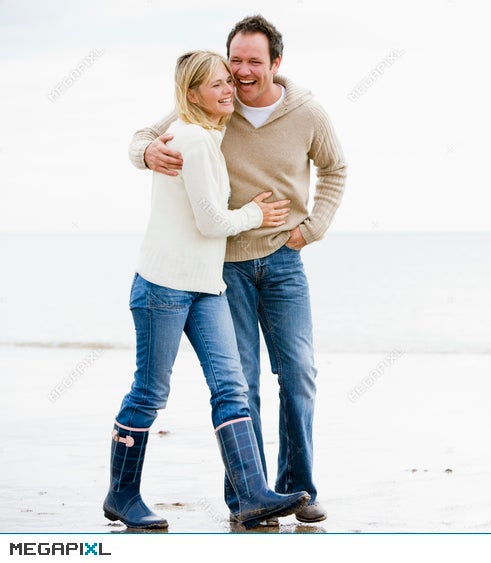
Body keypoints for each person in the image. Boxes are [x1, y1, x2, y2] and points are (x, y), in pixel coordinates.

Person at [128, 15, 347, 525]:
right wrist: (146, 151)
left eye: (253, 61)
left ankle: (298, 489)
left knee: (298, 374)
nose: (242, 73)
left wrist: (309, 229)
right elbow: (144, 136)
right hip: (225, 267)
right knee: (240, 382)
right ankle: (248, 499)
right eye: (235, 62)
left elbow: (335, 168)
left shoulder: (308, 112)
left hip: (284, 261)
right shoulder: (212, 107)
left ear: (276, 63)